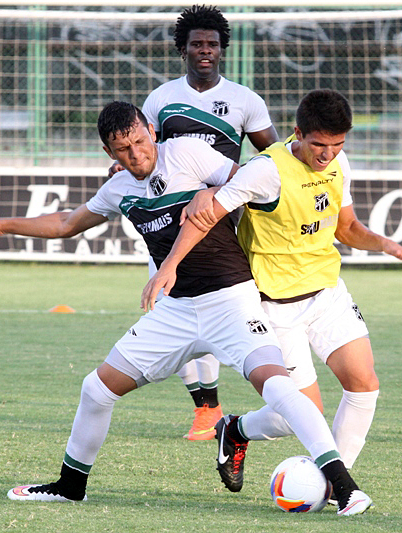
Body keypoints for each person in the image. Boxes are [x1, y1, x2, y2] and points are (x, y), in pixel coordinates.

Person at [0, 101, 371, 516]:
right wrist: (1, 224)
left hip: (232, 300)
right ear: (109, 152)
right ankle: (70, 487)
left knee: (279, 387)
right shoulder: (119, 189)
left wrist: (209, 192)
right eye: (123, 150)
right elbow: (67, 223)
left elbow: (246, 180)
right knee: (96, 389)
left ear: (152, 132)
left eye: (140, 141)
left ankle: (344, 488)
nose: (136, 154)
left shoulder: (186, 152)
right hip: (175, 312)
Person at [142, 89, 402, 504]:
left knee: (364, 384)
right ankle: (236, 429)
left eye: (337, 144)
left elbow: (346, 228)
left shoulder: (338, 162)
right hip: (275, 305)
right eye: (319, 145)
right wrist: (169, 265)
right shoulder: (266, 170)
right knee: (298, 417)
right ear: (298, 133)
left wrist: (385, 244)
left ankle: (333, 487)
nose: (328, 154)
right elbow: (207, 215)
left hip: (326, 292)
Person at [111, 4, 280, 441]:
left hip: (225, 219)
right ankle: (206, 408)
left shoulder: (246, 100)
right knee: (170, 303)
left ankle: (265, 382)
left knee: (227, 304)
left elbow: (272, 158)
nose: (205, 50)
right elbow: (143, 149)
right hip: (170, 223)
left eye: (212, 44)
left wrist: (221, 187)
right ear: (182, 50)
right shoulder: (161, 99)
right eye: (197, 44)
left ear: (222, 49)